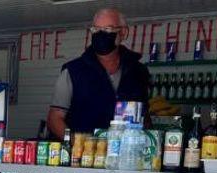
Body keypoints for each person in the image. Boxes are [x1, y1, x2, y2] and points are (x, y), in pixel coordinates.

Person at [47, 8, 150, 138]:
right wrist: (76, 145)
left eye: (108, 29)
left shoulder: (138, 72)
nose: (101, 34)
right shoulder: (73, 71)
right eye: (96, 29)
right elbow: (54, 119)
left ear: (123, 32)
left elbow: (144, 116)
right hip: (82, 155)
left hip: (125, 154)